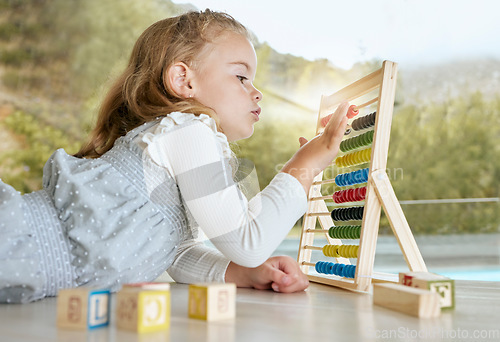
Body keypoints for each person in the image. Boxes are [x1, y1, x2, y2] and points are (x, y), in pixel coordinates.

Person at [0, 9, 349, 303]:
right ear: (184, 80)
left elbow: (177, 253)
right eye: (241, 76)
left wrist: (242, 272)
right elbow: (247, 241)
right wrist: (304, 166)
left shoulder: (179, 146)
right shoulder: (189, 132)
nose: (256, 92)